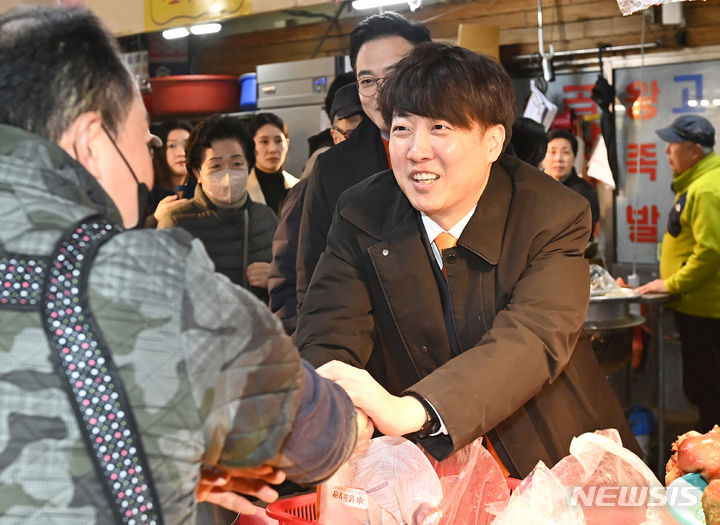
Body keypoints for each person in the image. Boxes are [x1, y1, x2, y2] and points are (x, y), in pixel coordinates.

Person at [0, 6, 366, 523]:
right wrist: (353, 417)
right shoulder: (146, 280)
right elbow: (319, 437)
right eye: (143, 139)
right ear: (90, 142)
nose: (148, 162)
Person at [297, 42, 639, 477]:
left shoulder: (553, 213)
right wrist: (336, 401)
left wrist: (416, 409)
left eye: (440, 127)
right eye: (402, 129)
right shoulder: (360, 212)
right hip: (428, 473)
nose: (416, 150)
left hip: (555, 457)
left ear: (492, 141)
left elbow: (532, 337)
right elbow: (329, 328)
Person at [295, 11, 431, 311]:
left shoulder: (476, 148)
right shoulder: (331, 170)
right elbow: (312, 281)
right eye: (367, 80)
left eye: (396, 73)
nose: (382, 91)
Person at [636, 115, 720, 432]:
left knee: (710, 391)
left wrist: (672, 283)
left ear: (695, 151)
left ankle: (713, 467)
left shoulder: (708, 189)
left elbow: (711, 251)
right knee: (705, 389)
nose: (667, 151)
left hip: (707, 311)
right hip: (696, 307)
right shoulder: (699, 183)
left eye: (673, 145)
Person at [269, 82, 365, 335]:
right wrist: (303, 340)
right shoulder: (308, 190)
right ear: (334, 136)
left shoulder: (399, 183)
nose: (362, 146)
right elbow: (287, 276)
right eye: (351, 135)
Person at [158, 115, 278, 303]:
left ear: (249, 166)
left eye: (237, 163)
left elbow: (293, 287)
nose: (228, 174)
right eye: (216, 165)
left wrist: (276, 278)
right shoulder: (176, 222)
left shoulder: (267, 218)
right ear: (198, 172)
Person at [542, 129, 600, 239]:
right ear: (543, 156)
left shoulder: (583, 193)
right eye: (553, 152)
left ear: (574, 158)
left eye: (566, 153)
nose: (558, 159)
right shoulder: (531, 188)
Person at [145, 119, 195, 226]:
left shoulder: (203, 192)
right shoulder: (148, 196)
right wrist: (155, 219)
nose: (181, 153)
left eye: (187, 145)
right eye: (172, 146)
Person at [247, 112, 298, 215]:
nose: (272, 150)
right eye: (264, 142)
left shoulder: (298, 186)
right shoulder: (241, 189)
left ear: (287, 144)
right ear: (251, 145)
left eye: (278, 141)